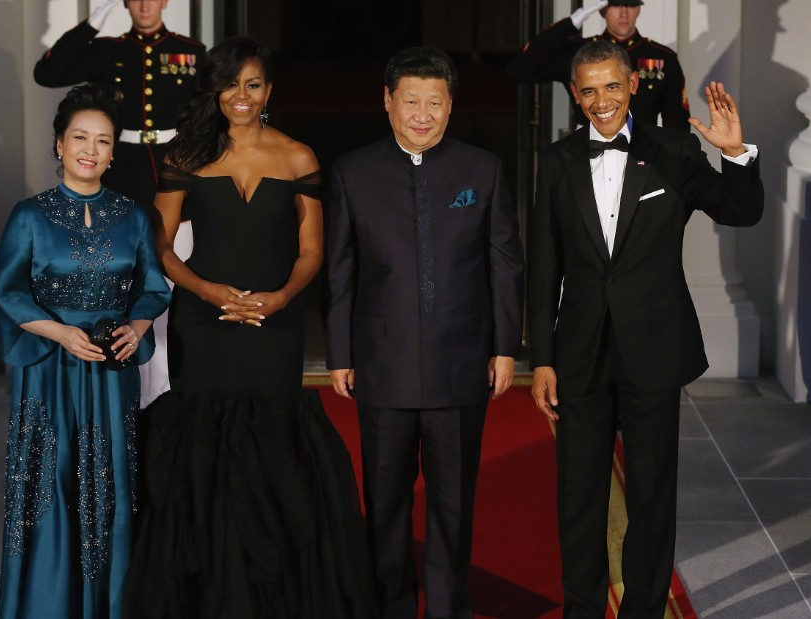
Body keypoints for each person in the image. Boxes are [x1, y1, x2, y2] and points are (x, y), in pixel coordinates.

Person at [123, 36, 373, 618]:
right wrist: (208, 291)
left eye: (253, 84)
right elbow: (158, 244)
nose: (241, 95)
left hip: (275, 326)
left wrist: (281, 297)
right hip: (202, 325)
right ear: (214, 90)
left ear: (269, 91)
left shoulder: (299, 157)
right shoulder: (186, 156)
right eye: (230, 84)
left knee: (272, 443)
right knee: (204, 444)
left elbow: (312, 250)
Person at [527, 40, 762, 618]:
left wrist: (736, 155)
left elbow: (740, 210)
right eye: (588, 89)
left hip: (655, 349)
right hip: (580, 353)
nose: (601, 100)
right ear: (574, 94)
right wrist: (543, 357)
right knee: (578, 497)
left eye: (612, 86)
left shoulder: (674, 147)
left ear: (632, 84)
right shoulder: (555, 162)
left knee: (652, 494)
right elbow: (543, 269)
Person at [324, 47, 525, 619]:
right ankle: (388, 605)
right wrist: (339, 352)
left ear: (450, 105)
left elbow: (504, 263)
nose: (423, 113)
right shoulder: (353, 172)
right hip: (381, 364)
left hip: (461, 364)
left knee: (452, 507)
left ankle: (446, 608)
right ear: (387, 101)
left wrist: (505, 345)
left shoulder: (480, 169)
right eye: (411, 100)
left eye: (434, 102)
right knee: (384, 506)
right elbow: (341, 272)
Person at [0, 83, 170, 618]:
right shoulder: (29, 214)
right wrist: (59, 332)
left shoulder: (134, 216)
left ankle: (107, 605)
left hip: (111, 369)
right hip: (49, 368)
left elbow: (154, 286)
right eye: (80, 138)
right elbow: (9, 290)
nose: (90, 150)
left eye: (103, 141)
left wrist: (137, 327)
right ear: (59, 145)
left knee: (108, 482)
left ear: (115, 152)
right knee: (50, 478)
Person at [35, 0, 204, 210]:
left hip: (174, 161)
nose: (144, 6)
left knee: (174, 237)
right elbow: (46, 74)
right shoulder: (106, 50)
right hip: (123, 166)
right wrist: (91, 25)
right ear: (124, 3)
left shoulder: (191, 51)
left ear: (164, 2)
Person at [506, 0, 690, 132]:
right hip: (585, 155)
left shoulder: (662, 58)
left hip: (644, 158)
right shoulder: (578, 52)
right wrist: (571, 23)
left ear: (639, 10)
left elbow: (677, 124)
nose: (623, 13)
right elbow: (519, 70)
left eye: (631, 4)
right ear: (602, 9)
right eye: (616, 4)